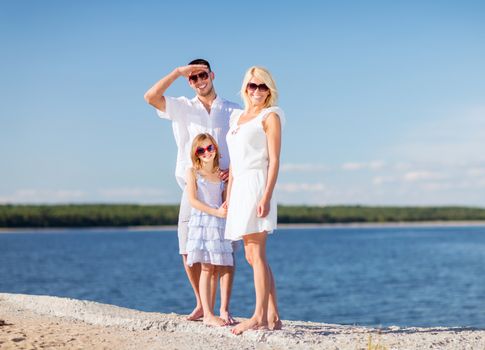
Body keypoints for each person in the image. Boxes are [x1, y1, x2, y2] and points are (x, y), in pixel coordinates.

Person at [144, 59, 239, 324]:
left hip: (224, 188)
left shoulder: (232, 110)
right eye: (193, 77)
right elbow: (150, 97)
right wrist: (176, 72)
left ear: (212, 75)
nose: (199, 80)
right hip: (192, 187)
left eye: (202, 75)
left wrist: (236, 170)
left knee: (225, 250)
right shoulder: (182, 107)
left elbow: (244, 143)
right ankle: (201, 304)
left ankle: (222, 309)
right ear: (189, 80)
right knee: (188, 248)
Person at [224, 66, 285, 334]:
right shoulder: (237, 118)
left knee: (256, 253)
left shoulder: (270, 116)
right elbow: (235, 164)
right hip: (239, 188)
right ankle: (273, 314)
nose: (257, 91)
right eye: (252, 86)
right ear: (245, 88)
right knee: (251, 255)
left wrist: (267, 195)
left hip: (257, 184)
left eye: (263, 86)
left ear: (269, 90)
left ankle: (258, 315)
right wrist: (228, 196)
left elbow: (274, 160)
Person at [185, 133, 234, 326]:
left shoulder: (221, 173)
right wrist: (215, 212)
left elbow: (225, 199)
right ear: (196, 154)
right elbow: (193, 200)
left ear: (215, 148)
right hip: (203, 221)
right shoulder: (193, 172)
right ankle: (207, 314)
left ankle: (215, 311)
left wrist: (224, 211)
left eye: (210, 148)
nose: (207, 153)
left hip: (219, 223)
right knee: (206, 267)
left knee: (217, 268)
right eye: (201, 150)